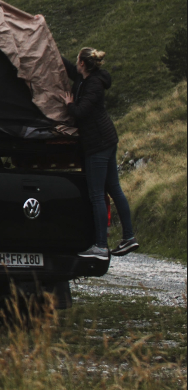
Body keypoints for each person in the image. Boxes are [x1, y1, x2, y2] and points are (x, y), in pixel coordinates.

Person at [62, 48, 138, 260]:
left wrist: (69, 104)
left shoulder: (93, 84)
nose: (75, 64)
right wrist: (49, 47)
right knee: (114, 188)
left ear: (83, 64)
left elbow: (80, 112)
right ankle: (128, 237)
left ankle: (101, 246)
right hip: (106, 140)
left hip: (98, 143)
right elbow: (68, 67)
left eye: (78, 60)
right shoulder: (85, 77)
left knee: (97, 194)